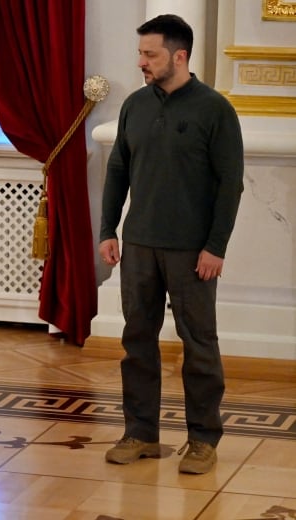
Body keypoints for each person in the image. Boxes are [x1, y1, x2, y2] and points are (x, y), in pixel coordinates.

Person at [98, 14, 244, 474]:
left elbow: (230, 184)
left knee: (198, 344)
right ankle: (140, 432)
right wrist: (108, 229)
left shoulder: (215, 110)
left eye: (150, 54)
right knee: (136, 339)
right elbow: (118, 169)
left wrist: (216, 246)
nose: (141, 62)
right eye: (141, 52)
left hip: (192, 250)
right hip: (139, 245)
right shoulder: (135, 106)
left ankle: (203, 439)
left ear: (179, 56)